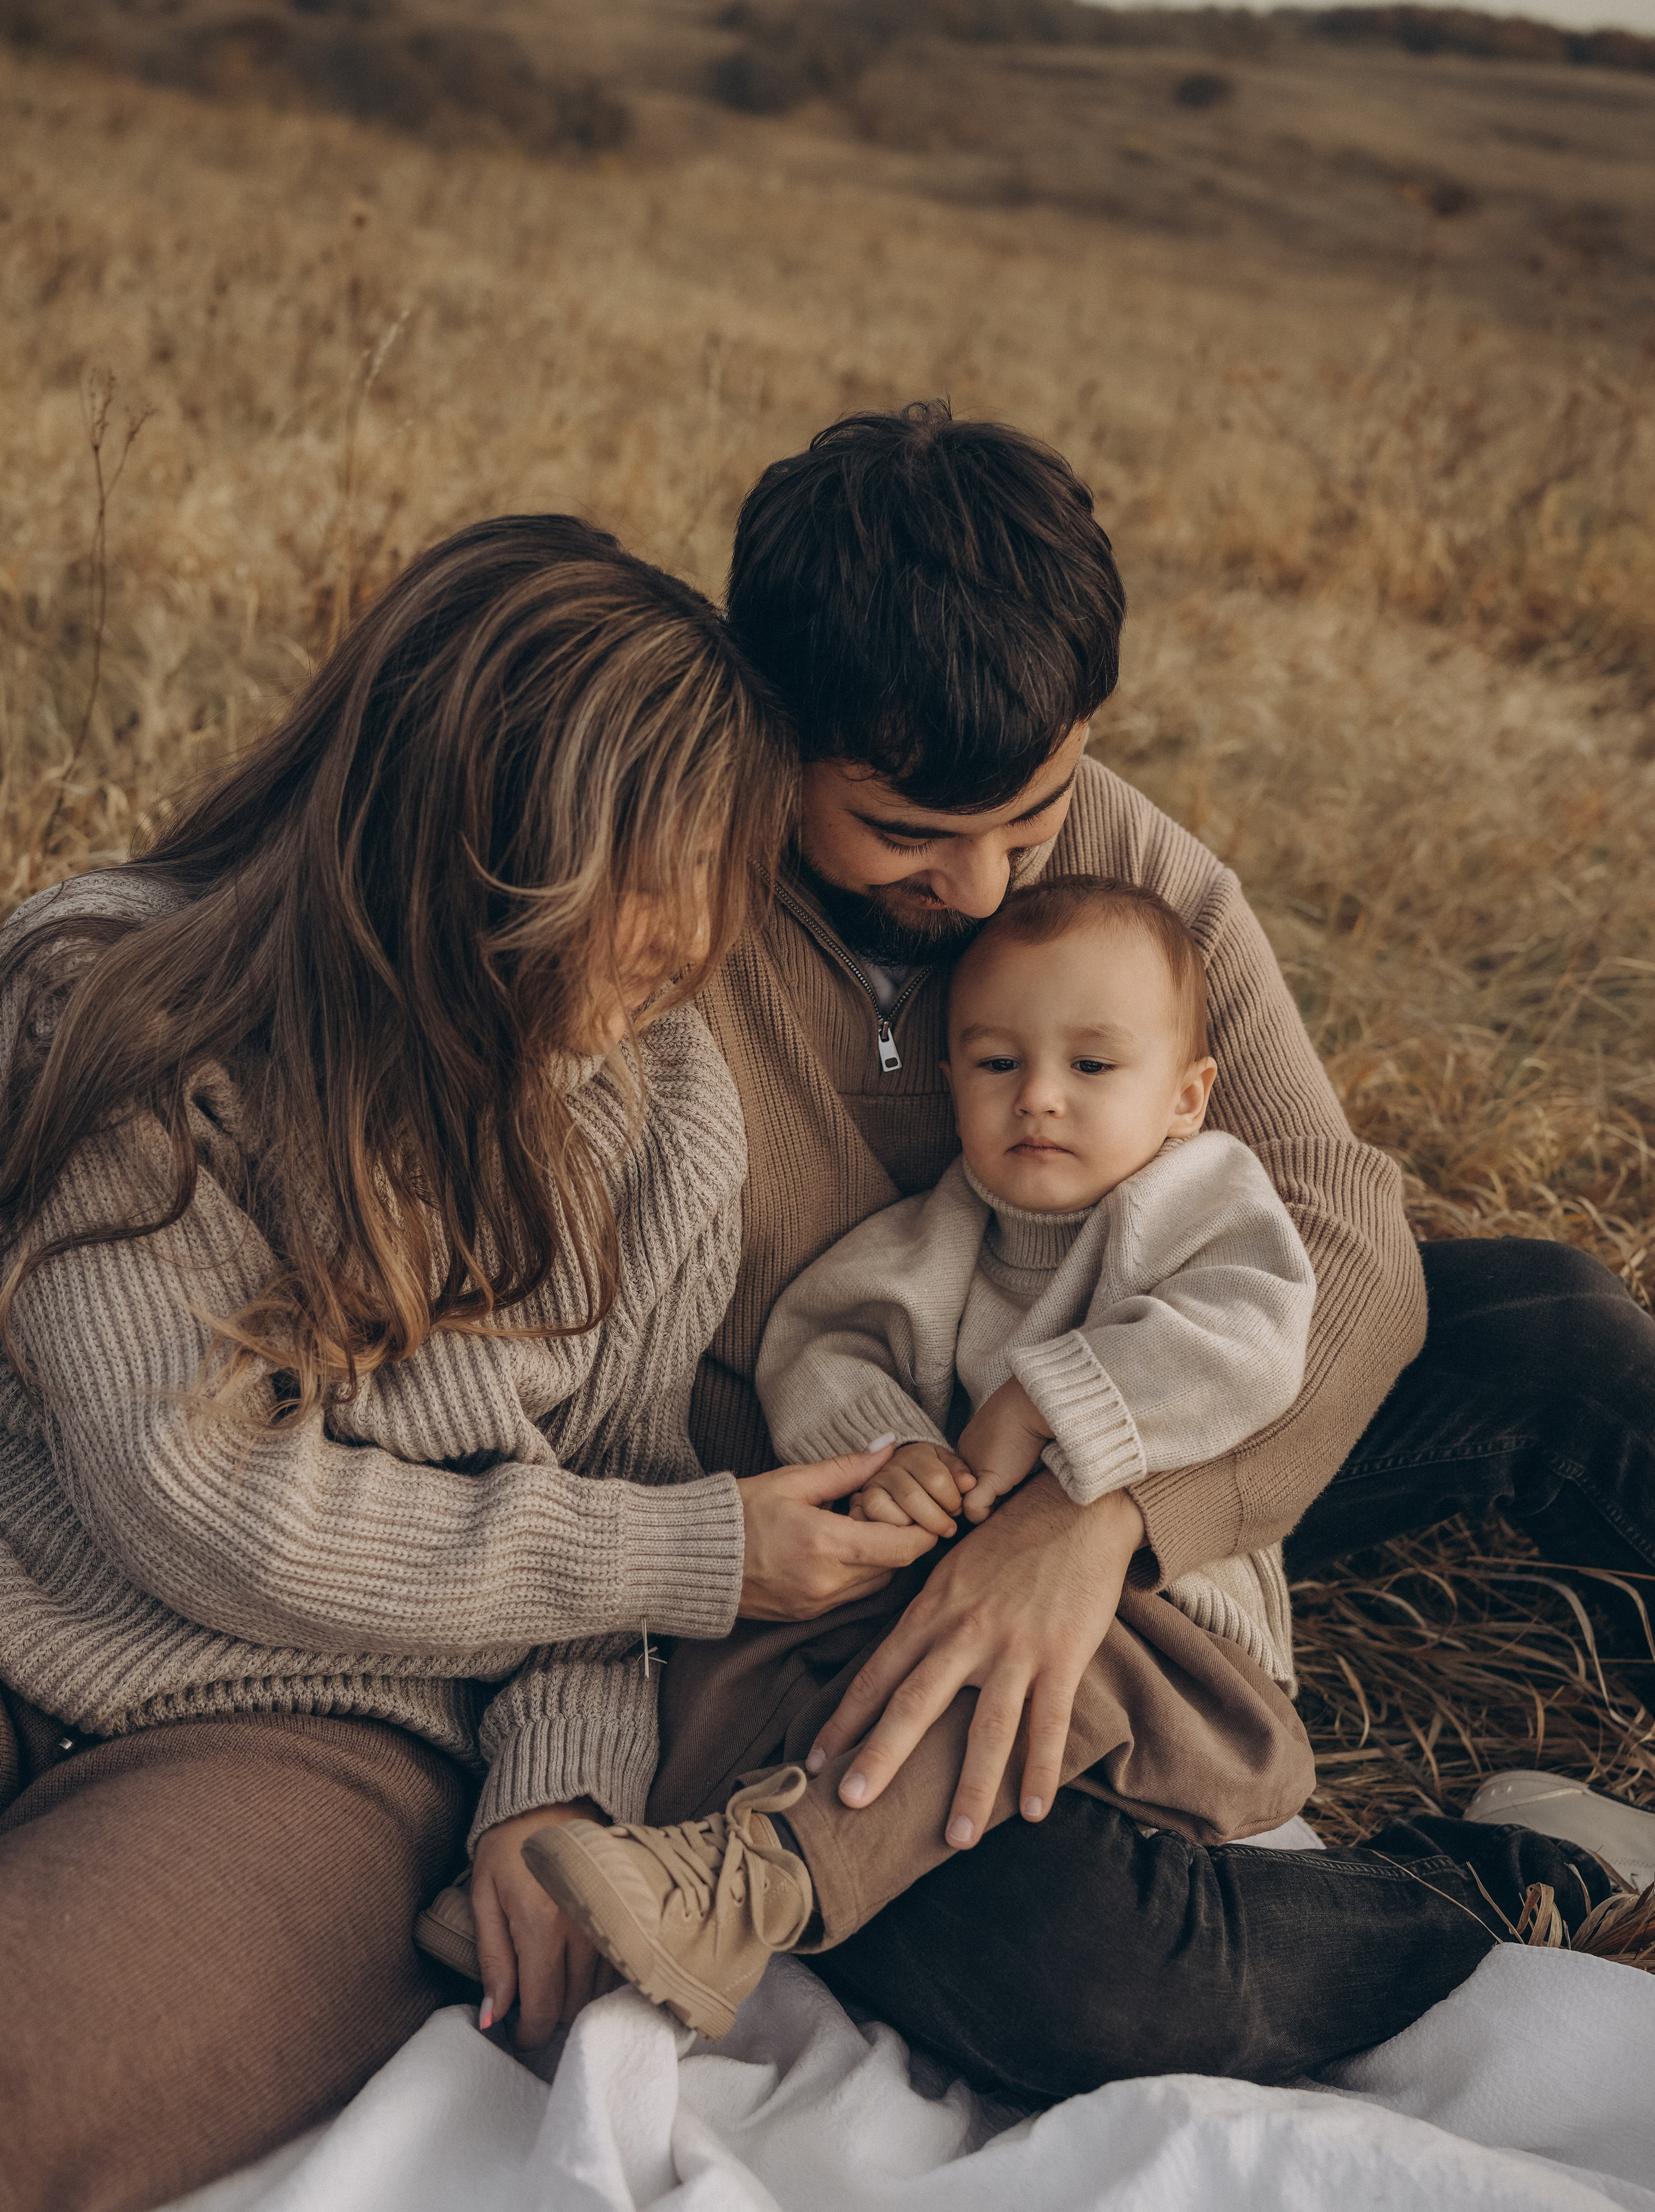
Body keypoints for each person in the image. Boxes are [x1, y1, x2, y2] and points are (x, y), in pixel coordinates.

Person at [532, 399, 1654, 2099]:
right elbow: (603, 1393)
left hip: (1154, 1423)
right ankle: (1483, 1885)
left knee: (1567, 1329)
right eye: (907, 832)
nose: (986, 886)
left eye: (1033, 813)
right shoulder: (661, 908)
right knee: (1079, 1971)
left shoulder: (1128, 855)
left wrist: (1111, 1513)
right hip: (857, 1559)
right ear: (774, 736)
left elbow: (1341, 1232)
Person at [0, 515, 937, 2212]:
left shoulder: (661, 1116)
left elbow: (625, 1465)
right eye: (660, 873)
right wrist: (701, 1551)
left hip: (314, 1735)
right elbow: (187, 1488)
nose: (702, 935)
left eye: (724, 866)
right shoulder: (116, 991)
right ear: (480, 840)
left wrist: (556, 1786)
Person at [521, 871, 1327, 2035]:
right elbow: (825, 1338)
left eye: (1093, 1068)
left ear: (1188, 1094)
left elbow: (1253, 1333)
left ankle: (752, 1882)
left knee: (961, 1677)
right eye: (998, 1063)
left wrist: (1048, 1400)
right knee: (827, 1668)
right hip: (980, 1600)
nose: (1040, 1097)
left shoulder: (1197, 1200)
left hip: (1167, 1631)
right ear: (949, 1081)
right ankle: (665, 1849)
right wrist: (890, 1447)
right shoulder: (942, 1230)